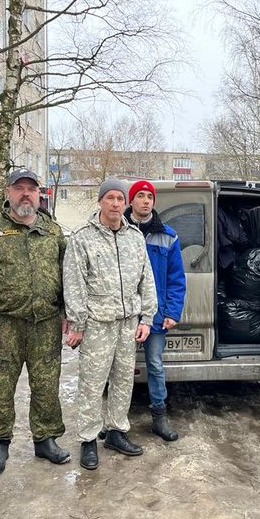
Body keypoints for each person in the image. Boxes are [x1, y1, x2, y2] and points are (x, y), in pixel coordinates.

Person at [0, 168, 70, 476]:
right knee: (1, 387)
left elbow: (67, 277)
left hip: (46, 323)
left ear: (39, 194)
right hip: (3, 324)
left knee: (46, 385)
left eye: (31, 189)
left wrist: (68, 314)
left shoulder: (53, 231)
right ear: (8, 193)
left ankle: (46, 438)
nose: (26, 194)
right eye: (19, 188)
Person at [64, 178, 158, 470]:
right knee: (92, 384)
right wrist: (77, 323)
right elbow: (74, 284)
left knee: (122, 380)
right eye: (110, 198)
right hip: (97, 323)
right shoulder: (82, 238)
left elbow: (147, 280)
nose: (116, 204)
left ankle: (117, 432)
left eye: (120, 198)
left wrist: (146, 318)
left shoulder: (135, 237)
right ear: (100, 202)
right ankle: (89, 440)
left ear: (125, 203)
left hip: (128, 323)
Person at [124, 179, 186, 441]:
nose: (146, 200)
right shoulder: (118, 230)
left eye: (150, 196)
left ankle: (159, 418)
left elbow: (176, 278)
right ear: (131, 201)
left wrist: (172, 312)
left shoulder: (168, 236)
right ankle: (116, 421)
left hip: (156, 316)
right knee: (120, 368)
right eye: (140, 196)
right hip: (123, 314)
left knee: (155, 365)